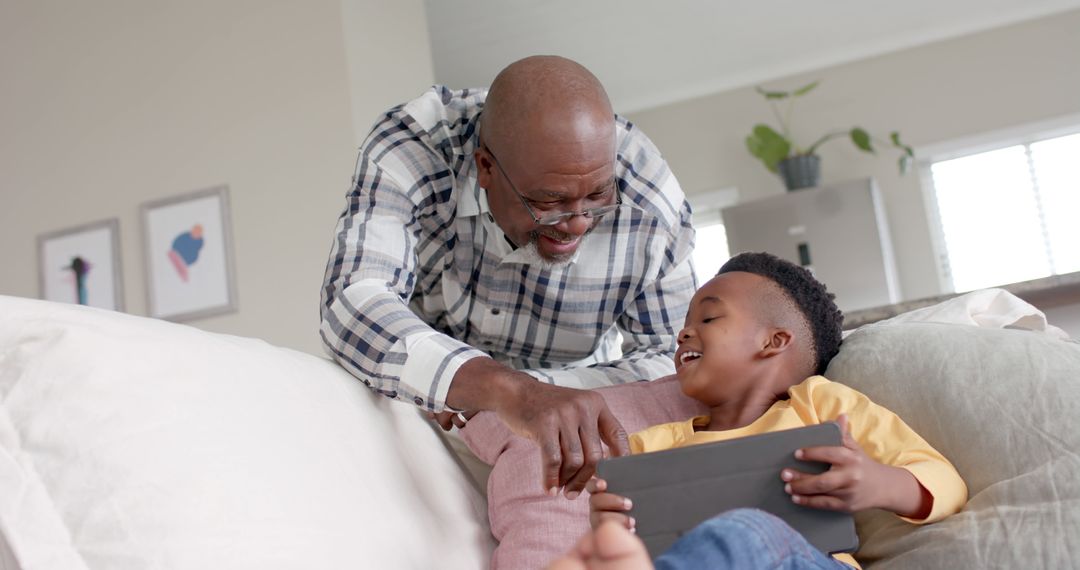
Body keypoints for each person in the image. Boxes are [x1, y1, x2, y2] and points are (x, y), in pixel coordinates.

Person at [319, 55, 697, 498]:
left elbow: (678, 360)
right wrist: (489, 386)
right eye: (549, 201)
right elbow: (353, 301)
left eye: (598, 195)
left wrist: (537, 394)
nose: (577, 224)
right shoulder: (417, 143)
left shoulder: (653, 203)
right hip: (421, 400)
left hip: (570, 404)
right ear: (485, 167)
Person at [581, 252, 968, 569]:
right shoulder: (647, 447)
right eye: (684, 323)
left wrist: (875, 483)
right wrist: (610, 531)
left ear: (774, 341)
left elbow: (946, 481)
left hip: (806, 562)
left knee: (746, 531)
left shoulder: (819, 404)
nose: (682, 333)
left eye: (709, 318)